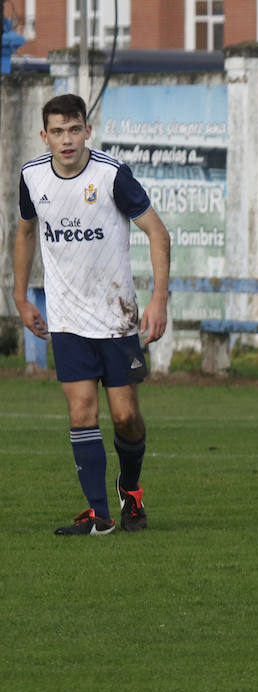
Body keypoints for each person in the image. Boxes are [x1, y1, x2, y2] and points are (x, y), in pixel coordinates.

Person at [12, 93, 170, 535]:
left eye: (74, 129)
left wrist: (158, 299)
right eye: (57, 132)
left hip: (117, 318)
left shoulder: (112, 175)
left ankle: (131, 489)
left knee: (125, 417)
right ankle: (99, 515)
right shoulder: (32, 177)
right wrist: (21, 296)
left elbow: (158, 233)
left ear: (88, 130)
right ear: (44, 135)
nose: (67, 140)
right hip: (65, 320)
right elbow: (25, 233)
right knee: (81, 411)